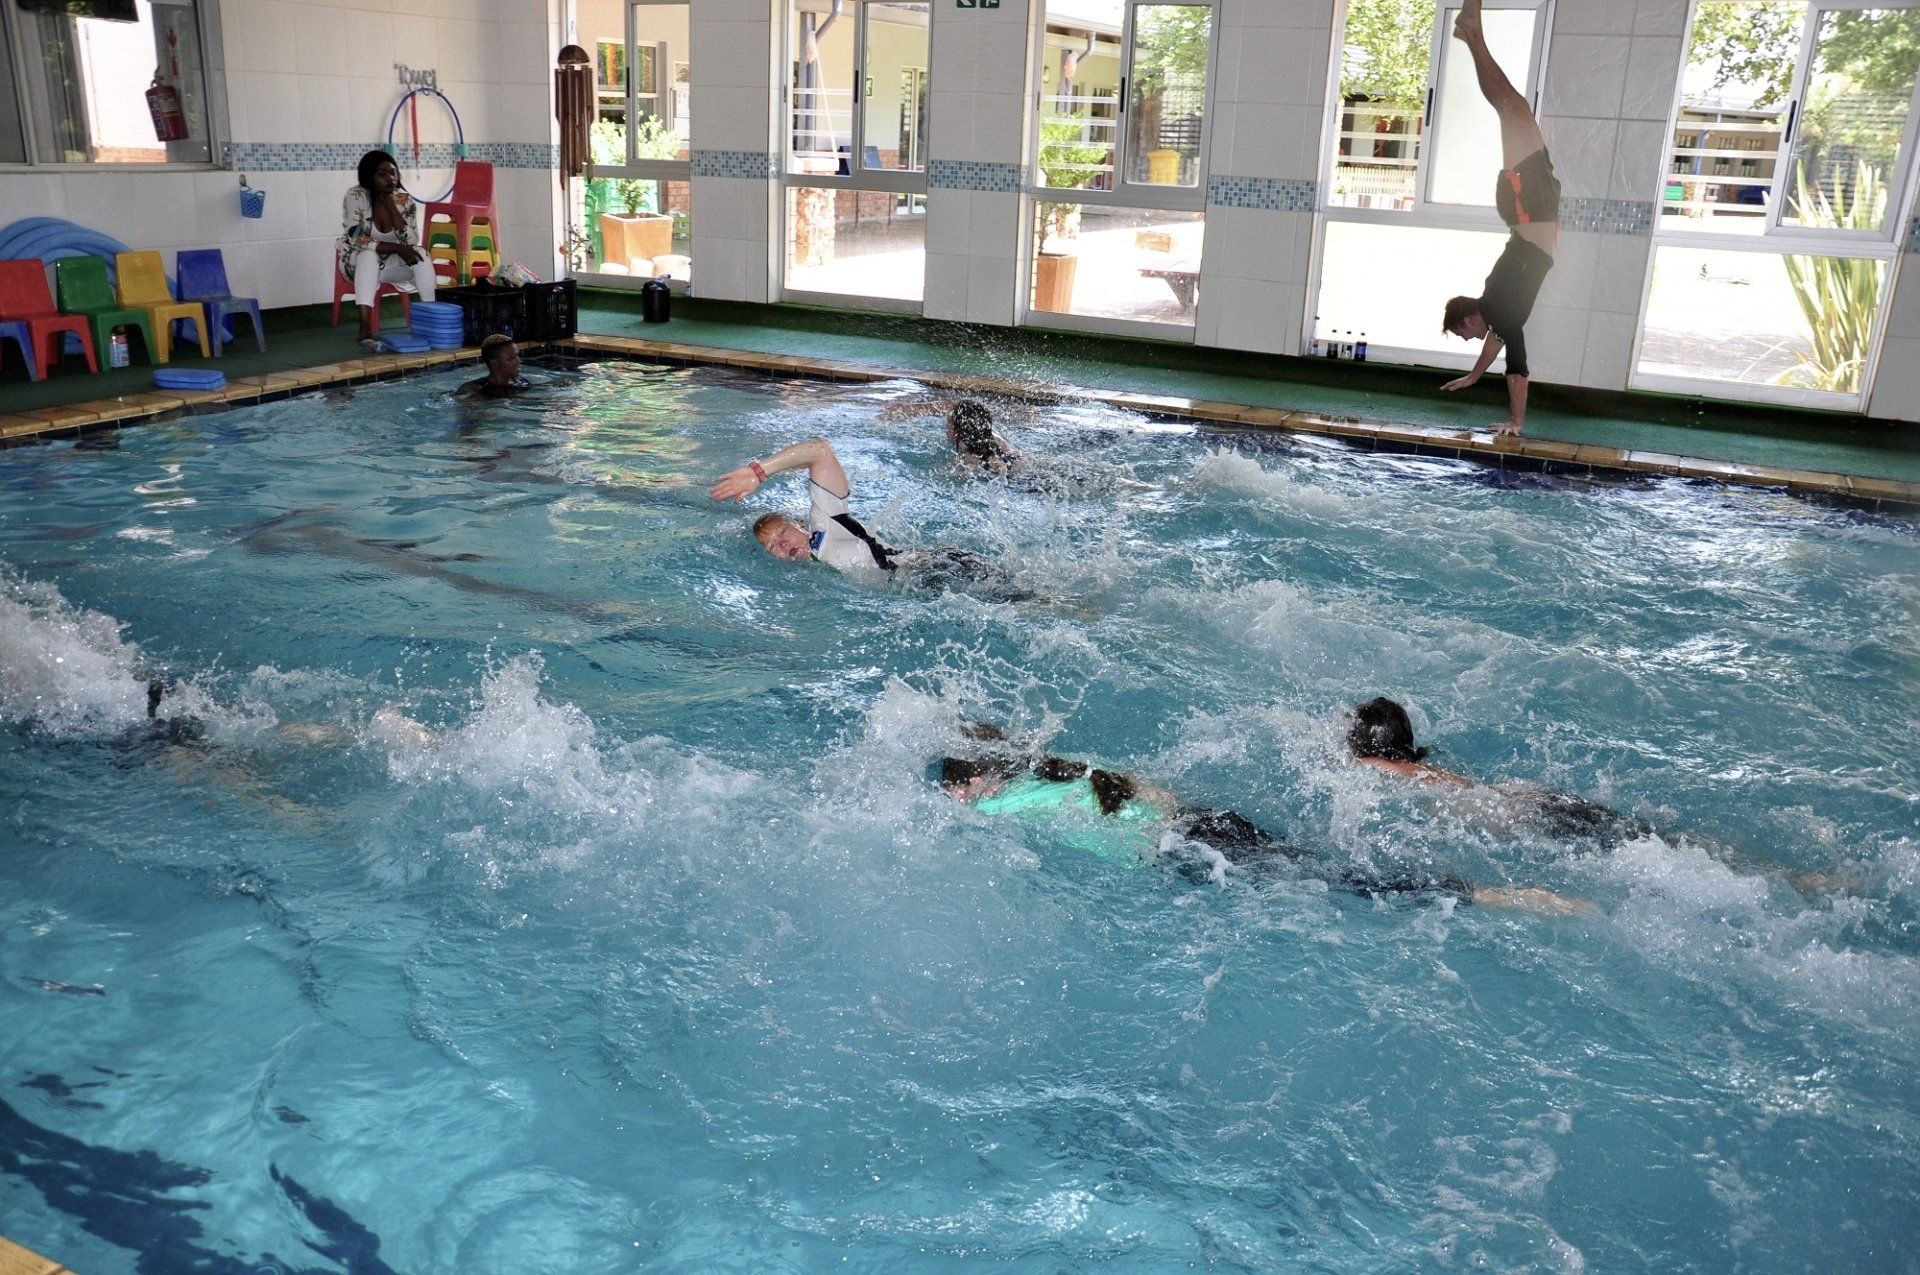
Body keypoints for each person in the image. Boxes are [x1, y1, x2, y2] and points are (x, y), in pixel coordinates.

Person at [939, 736, 1586, 914]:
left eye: (958, 790)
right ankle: (1484, 890)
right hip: (1205, 822)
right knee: (1325, 867)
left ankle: (1494, 896)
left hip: (1184, 854)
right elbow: (1157, 794)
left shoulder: (998, 808)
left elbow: (971, 821)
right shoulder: (1065, 766)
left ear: (975, 784)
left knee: (1344, 884)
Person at [1437, 0, 1559, 437]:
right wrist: (1473, 376)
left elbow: (1517, 367)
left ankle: (1472, 32)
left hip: (1531, 211)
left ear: (1469, 318)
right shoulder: (1496, 310)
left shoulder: (1501, 310)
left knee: (1510, 105)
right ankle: (1471, 32)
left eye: (1464, 333)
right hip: (1528, 211)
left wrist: (1516, 421)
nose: (1472, 338)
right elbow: (1499, 341)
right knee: (1512, 105)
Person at [710, 435, 1015, 593]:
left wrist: (758, 472)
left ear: (800, 525)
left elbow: (819, 450)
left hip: (940, 570)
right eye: (771, 547)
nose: (781, 545)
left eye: (781, 533)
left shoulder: (824, 525)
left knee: (1031, 605)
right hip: (925, 587)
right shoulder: (812, 573)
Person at [337, 149, 438, 351]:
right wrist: (397, 248)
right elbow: (356, 238)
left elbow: (411, 240)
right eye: (382, 174)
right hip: (357, 264)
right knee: (367, 255)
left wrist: (391, 207)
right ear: (369, 176)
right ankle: (365, 328)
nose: (390, 178)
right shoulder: (356, 196)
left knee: (422, 255)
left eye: (393, 173)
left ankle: (433, 319)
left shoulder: (403, 199)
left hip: (391, 264)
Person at [882, 398, 1023, 472]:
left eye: (949, 422)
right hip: (1024, 467)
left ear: (957, 431)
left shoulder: (965, 460)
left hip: (1016, 483)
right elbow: (957, 408)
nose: (946, 426)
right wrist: (909, 408)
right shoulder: (994, 437)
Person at [461, 334, 528, 399]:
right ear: (494, 363)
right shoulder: (475, 389)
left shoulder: (521, 383)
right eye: (511, 358)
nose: (519, 361)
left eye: (517, 355)